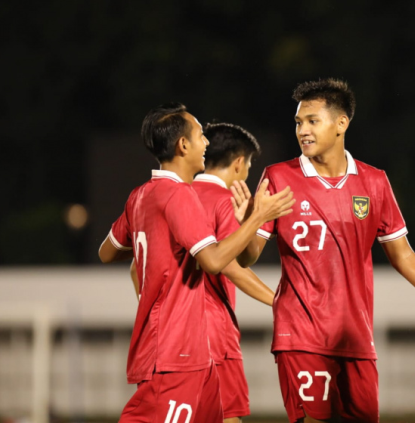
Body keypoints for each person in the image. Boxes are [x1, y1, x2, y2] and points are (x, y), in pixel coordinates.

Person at [230, 79, 415, 423]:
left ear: (341, 123)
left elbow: (404, 256)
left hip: (357, 339)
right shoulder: (279, 176)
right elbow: (248, 256)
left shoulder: (374, 182)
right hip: (301, 335)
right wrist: (251, 222)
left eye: (313, 121)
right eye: (299, 122)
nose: (303, 130)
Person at [98, 102, 294, 423]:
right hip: (180, 349)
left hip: (175, 346)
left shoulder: (140, 195)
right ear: (183, 145)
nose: (206, 143)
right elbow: (217, 262)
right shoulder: (179, 195)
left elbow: (108, 252)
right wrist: (259, 215)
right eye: (201, 135)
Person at [129, 122, 274, 423]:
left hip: (168, 339)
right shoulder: (224, 202)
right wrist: (280, 300)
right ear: (238, 164)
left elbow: (135, 268)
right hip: (211, 336)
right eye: (248, 164)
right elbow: (230, 266)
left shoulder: (172, 193)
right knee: (227, 416)